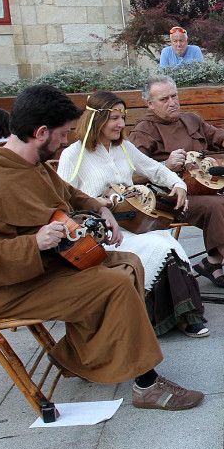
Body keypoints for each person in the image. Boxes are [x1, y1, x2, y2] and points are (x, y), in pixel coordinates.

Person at [0, 84, 204, 411]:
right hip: (12, 288)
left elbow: (68, 193)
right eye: (62, 134)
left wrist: (101, 209)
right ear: (41, 132)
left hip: (45, 270)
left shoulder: (27, 164)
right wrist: (33, 243)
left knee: (129, 263)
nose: (66, 141)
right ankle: (146, 385)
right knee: (113, 285)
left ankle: (77, 358)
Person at [57, 90, 208, 338]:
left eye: (122, 117)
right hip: (100, 235)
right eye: (114, 118)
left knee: (165, 241)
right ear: (97, 119)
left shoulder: (124, 148)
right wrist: (98, 202)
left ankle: (182, 314)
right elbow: (62, 201)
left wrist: (178, 185)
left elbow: (156, 170)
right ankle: (176, 317)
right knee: (161, 245)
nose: (120, 124)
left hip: (132, 225)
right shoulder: (73, 154)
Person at [128, 76, 224, 297]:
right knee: (215, 209)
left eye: (174, 96)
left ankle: (212, 262)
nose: (172, 102)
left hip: (209, 187)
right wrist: (164, 165)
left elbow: (222, 136)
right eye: (164, 99)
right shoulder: (143, 131)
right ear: (150, 103)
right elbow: (132, 175)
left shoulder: (190, 119)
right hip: (175, 196)